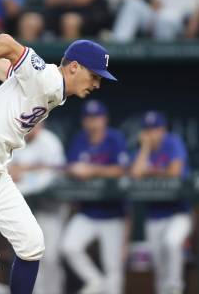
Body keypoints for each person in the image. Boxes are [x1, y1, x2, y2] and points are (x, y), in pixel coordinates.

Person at [0, 35, 118, 294]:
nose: (97, 84)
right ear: (74, 66)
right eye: (95, 76)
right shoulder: (47, 79)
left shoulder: (53, 89)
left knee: (32, 246)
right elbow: (6, 42)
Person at [61, 100, 128, 294]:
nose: (93, 122)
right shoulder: (80, 139)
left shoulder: (115, 138)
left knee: (113, 268)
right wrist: (74, 171)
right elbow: (70, 167)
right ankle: (96, 282)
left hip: (113, 213)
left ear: (104, 120)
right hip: (87, 211)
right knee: (69, 247)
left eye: (97, 118)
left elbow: (123, 170)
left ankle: (104, 285)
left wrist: (93, 170)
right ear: (84, 121)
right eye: (89, 118)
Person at [129, 111, 191, 294]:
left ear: (163, 130)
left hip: (179, 213)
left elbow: (175, 172)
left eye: (155, 129)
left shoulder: (172, 142)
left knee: (171, 243)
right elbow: (135, 174)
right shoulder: (143, 150)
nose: (151, 133)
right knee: (158, 266)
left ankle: (175, 288)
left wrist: (151, 172)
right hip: (154, 215)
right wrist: (145, 147)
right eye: (147, 130)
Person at [9, 121, 67, 294]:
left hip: (51, 209)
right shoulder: (14, 141)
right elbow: (6, 170)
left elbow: (53, 175)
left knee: (51, 258)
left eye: (35, 124)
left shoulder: (50, 142)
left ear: (42, 124)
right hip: (27, 210)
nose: (31, 127)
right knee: (32, 256)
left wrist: (25, 172)